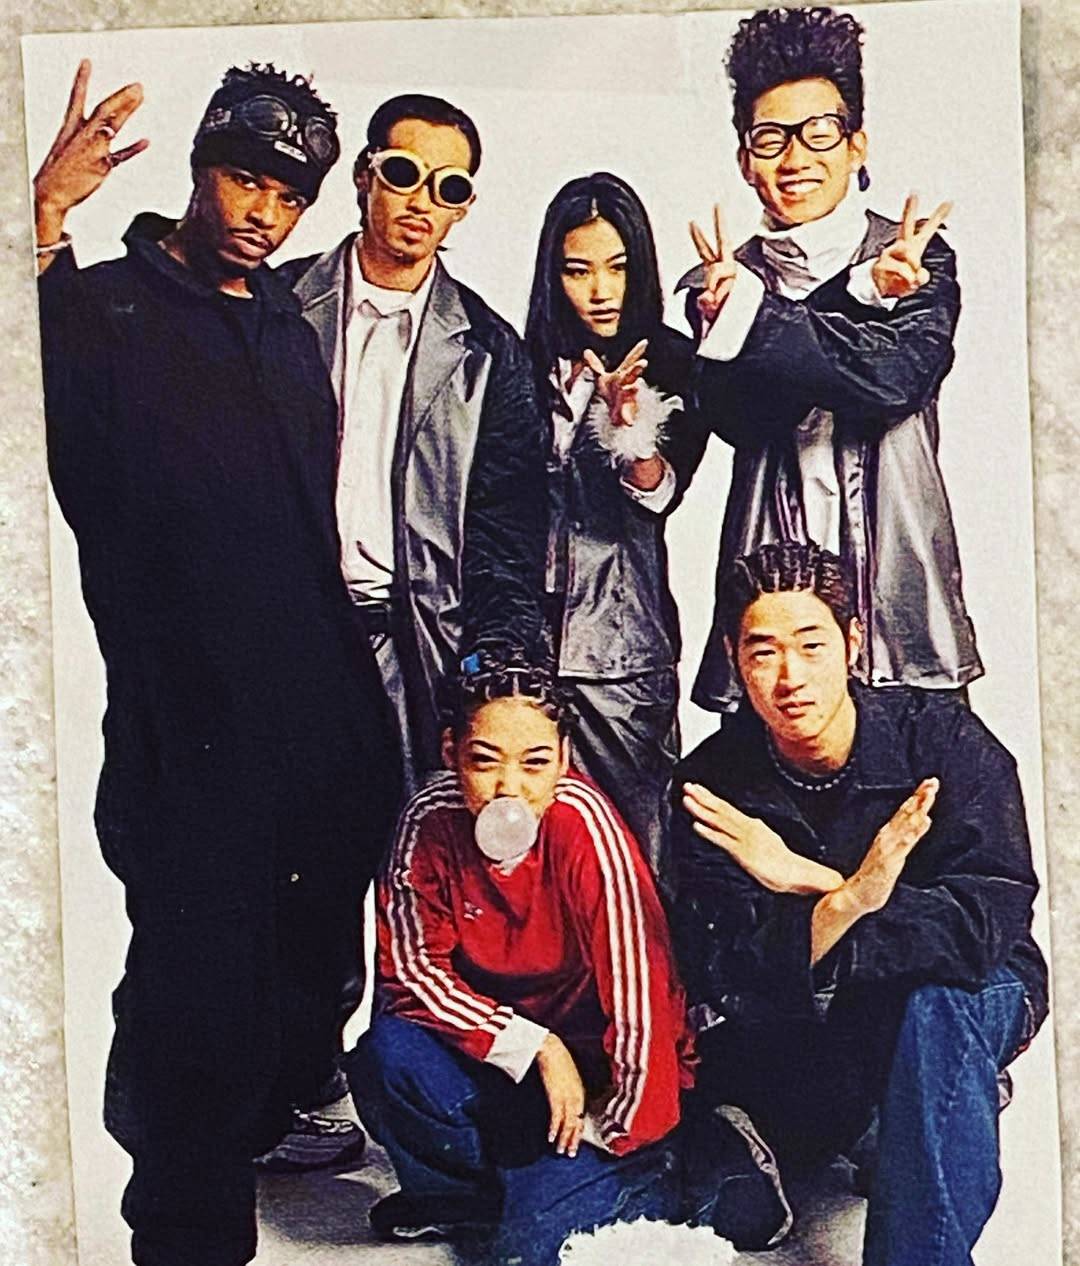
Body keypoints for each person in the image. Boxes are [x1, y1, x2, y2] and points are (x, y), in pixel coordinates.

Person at [33, 61, 401, 1265]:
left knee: (299, 993)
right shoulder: (101, 310)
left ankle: (238, 1112)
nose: (263, 213)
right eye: (246, 180)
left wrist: (356, 735)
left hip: (319, 729)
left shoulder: (287, 329)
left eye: (289, 196)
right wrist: (40, 221)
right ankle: (187, 1230)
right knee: (195, 1007)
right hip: (186, 737)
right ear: (200, 171)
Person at [670, 541, 1048, 1263]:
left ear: (851, 642)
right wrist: (844, 899)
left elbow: (984, 926)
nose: (790, 678)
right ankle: (902, 1110)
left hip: (979, 987)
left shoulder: (943, 741)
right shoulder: (713, 786)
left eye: (811, 646)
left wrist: (811, 884)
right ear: (732, 659)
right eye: (763, 653)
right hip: (814, 1015)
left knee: (937, 1007)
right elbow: (727, 966)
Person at [346, 648, 695, 1265]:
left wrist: (617, 1128)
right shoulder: (428, 820)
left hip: (601, 1081)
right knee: (387, 1052)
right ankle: (468, 1198)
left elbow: (643, 996)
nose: (509, 787)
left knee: (529, 1251)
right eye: (485, 761)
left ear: (563, 759)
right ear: (452, 751)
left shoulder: (585, 827)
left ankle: (687, 1172)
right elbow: (412, 972)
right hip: (514, 1061)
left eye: (534, 763)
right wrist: (534, 1045)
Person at [679, 5, 981, 713]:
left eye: (818, 133)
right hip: (769, 596)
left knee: (926, 773)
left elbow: (890, 382)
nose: (795, 159)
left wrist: (758, 319)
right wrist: (858, 297)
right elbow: (742, 415)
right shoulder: (715, 283)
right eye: (770, 138)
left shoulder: (918, 256)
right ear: (745, 159)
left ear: (855, 146)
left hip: (902, 591)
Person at [276, 93, 548, 792]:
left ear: (465, 207)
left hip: (414, 655)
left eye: (448, 187)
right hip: (278, 639)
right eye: (403, 173)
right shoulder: (273, 305)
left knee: (410, 840)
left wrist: (492, 673)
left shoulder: (490, 350)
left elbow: (506, 537)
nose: (422, 201)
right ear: (363, 175)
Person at [523, 172, 709, 878]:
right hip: (526, 650)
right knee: (530, 859)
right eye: (578, 270)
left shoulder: (674, 363)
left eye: (617, 267)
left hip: (624, 654)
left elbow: (660, 496)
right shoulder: (518, 363)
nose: (601, 290)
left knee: (638, 857)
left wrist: (627, 428)